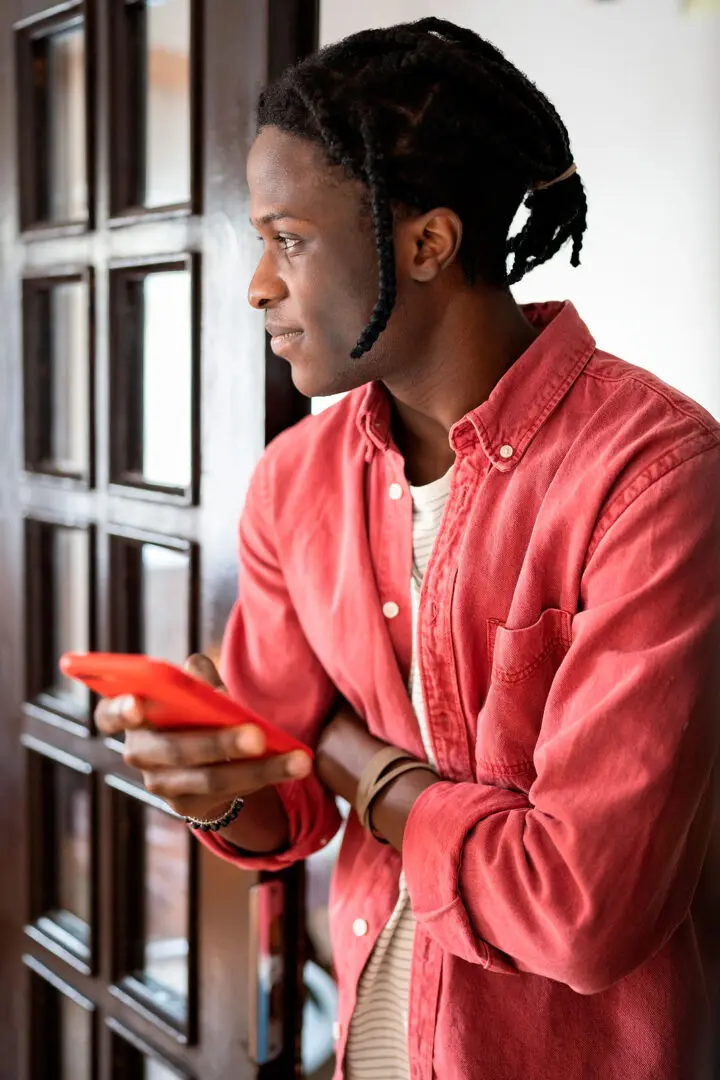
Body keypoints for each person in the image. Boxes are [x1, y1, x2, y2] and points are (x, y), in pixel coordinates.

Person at [96, 18, 720, 1080]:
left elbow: (580, 912)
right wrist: (209, 784)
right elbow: (282, 797)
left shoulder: (658, 480)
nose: (256, 284)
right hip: (377, 1046)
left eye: (288, 239)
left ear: (428, 244)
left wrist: (356, 761)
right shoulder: (296, 481)